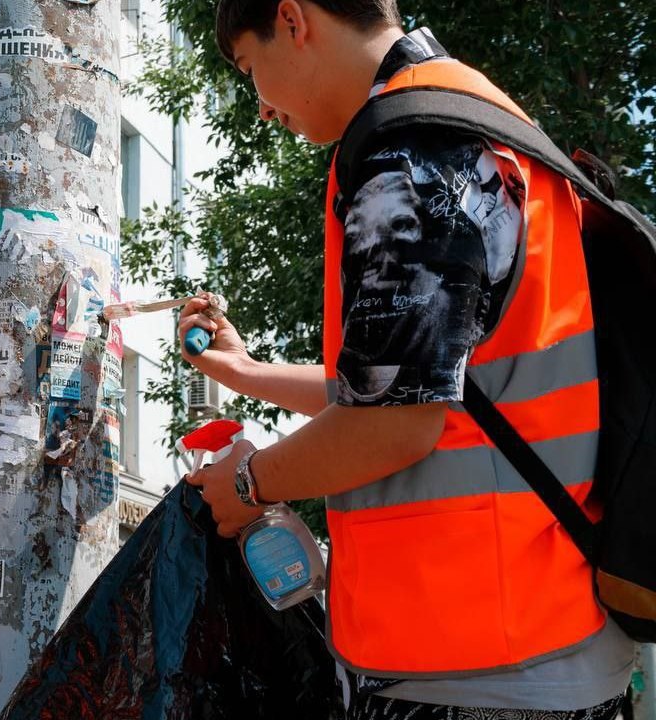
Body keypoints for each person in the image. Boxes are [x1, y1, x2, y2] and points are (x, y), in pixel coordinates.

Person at [183, 2, 633, 718]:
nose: (262, 107)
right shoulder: (473, 121)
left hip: (483, 673)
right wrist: (246, 373)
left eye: (249, 71)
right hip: (530, 640)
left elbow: (393, 425)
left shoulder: (411, 154)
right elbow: (414, 386)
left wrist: (248, 483)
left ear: (293, 21)